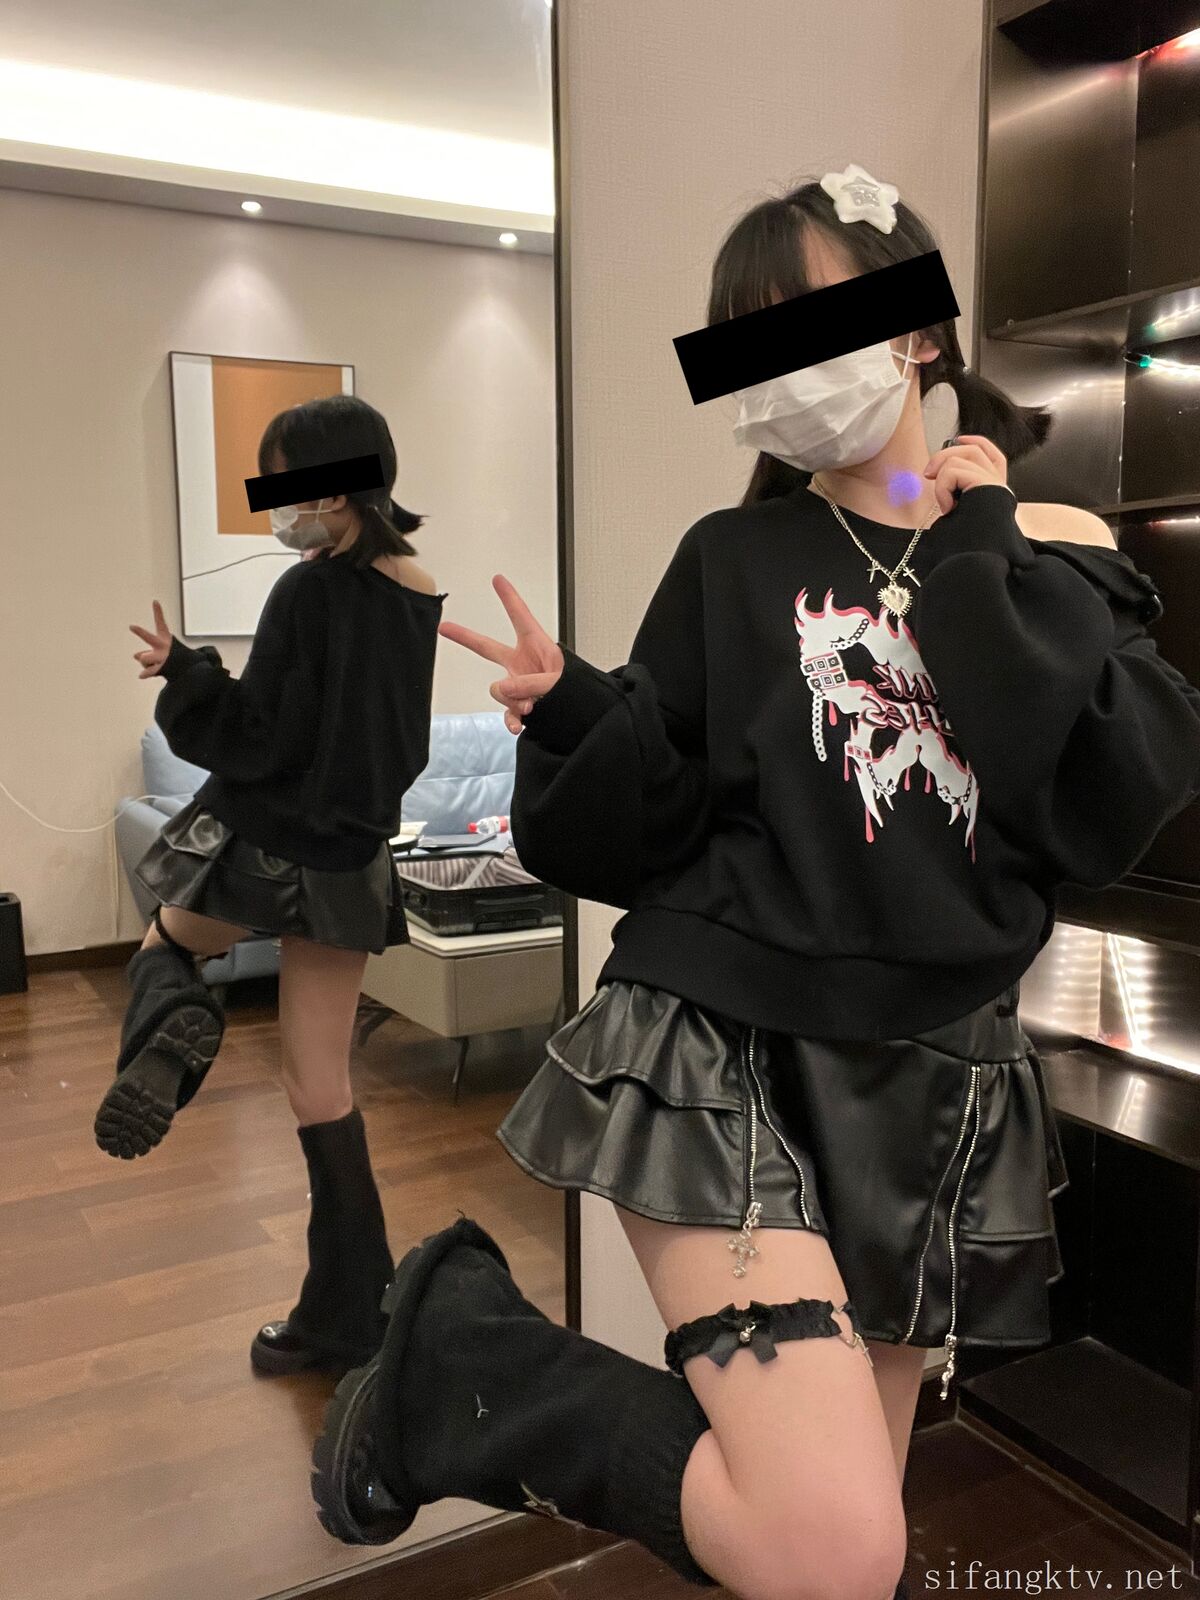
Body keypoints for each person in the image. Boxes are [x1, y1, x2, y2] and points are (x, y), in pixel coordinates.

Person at [308, 170, 1200, 1600]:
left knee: (847, 1541)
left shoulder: (1054, 549)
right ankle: (463, 1363)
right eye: (748, 341)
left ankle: (460, 1353)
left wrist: (974, 531)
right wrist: (579, 708)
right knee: (830, 1545)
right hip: (720, 1048)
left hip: (937, 1083)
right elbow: (652, 816)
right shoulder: (731, 558)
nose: (780, 369)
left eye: (808, 321)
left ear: (919, 330)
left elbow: (1095, 801)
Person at [93, 394, 444, 1378]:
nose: (278, 506)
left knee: (164, 945)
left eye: (285, 484)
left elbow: (260, 734)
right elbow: (400, 746)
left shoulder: (305, 591)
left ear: (335, 485)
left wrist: (187, 674)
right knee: (321, 1087)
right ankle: (352, 1312)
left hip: (271, 842)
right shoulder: (417, 589)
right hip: (351, 861)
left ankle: (176, 1029)